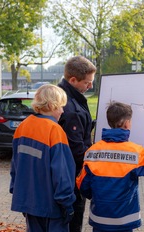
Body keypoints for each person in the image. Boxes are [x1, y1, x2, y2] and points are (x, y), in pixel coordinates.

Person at [76, 101, 144, 232]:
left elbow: (83, 184)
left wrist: (98, 197)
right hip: (124, 220)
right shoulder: (135, 151)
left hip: (99, 219)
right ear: (126, 123)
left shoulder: (93, 151)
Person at [9, 84, 76, 232]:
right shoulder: (54, 130)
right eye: (60, 107)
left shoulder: (23, 126)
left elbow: (15, 166)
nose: (62, 111)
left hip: (29, 202)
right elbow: (62, 174)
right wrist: (67, 204)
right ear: (52, 105)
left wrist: (18, 193)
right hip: (52, 207)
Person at [58, 55, 97, 232]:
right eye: (87, 83)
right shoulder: (69, 107)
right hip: (73, 176)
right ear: (73, 80)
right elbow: (76, 149)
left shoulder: (71, 98)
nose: (90, 86)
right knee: (73, 222)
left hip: (68, 175)